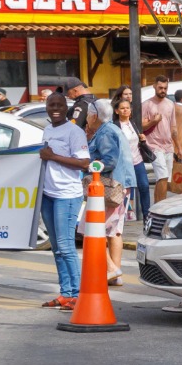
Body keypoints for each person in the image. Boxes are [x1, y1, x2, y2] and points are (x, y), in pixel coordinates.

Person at [37, 92, 89, 309]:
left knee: (67, 247)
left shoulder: (74, 132)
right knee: (57, 248)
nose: (55, 108)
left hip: (67, 195)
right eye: (51, 105)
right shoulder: (48, 129)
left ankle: (77, 295)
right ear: (47, 107)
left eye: (59, 105)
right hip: (48, 195)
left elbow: (84, 162)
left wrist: (53, 157)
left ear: (66, 107)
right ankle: (65, 292)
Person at [86, 99, 134, 285]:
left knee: (93, 229)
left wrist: (89, 166)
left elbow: (109, 161)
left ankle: (112, 269)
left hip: (109, 187)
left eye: (89, 114)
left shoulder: (105, 132)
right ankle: (116, 275)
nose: (87, 117)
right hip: (121, 185)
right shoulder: (112, 129)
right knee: (115, 231)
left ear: (96, 115)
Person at [141, 77, 176, 204]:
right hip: (154, 145)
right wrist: (153, 122)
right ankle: (161, 206)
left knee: (164, 179)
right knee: (163, 176)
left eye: (165, 88)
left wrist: (178, 147)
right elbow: (141, 126)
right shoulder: (146, 104)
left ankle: (158, 205)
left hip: (168, 146)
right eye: (160, 87)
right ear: (154, 86)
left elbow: (173, 127)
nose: (163, 90)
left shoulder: (170, 104)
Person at [115, 97, 149, 220]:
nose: (125, 110)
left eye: (127, 108)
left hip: (137, 160)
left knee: (144, 187)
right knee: (124, 190)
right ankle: (121, 216)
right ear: (117, 111)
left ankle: (146, 215)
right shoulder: (115, 126)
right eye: (122, 108)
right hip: (124, 163)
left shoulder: (133, 123)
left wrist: (143, 139)